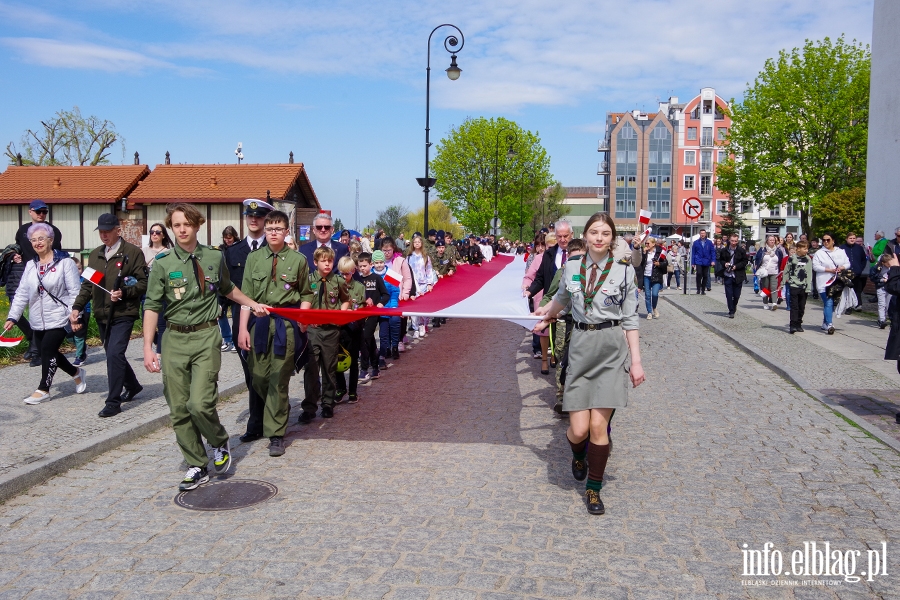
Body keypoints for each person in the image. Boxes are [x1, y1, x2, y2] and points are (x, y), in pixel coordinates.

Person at [143, 203, 268, 491]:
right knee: (178, 408)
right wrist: (149, 347)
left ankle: (218, 440)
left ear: (197, 225)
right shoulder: (163, 264)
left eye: (187, 224)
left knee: (199, 403)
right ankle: (196, 464)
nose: (182, 229)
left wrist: (252, 304)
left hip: (206, 336)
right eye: (176, 225)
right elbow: (151, 306)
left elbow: (227, 289)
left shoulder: (214, 257)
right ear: (171, 229)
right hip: (173, 339)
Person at [533, 212, 644, 515]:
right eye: (594, 232)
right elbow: (562, 301)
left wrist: (635, 362)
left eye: (605, 234)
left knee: (599, 425)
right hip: (580, 348)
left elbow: (631, 320)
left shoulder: (624, 273)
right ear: (587, 235)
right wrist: (545, 317)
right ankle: (578, 455)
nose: (599, 238)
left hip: (609, 349)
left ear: (612, 239)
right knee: (578, 430)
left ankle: (594, 489)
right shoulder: (571, 268)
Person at [239, 210, 313, 456]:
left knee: (279, 378)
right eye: (269, 228)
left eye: (278, 228)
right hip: (258, 324)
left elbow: (306, 294)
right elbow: (245, 297)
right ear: (264, 230)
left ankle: (276, 434)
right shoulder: (254, 258)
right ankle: (276, 410)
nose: (273, 232)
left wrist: (302, 318)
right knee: (258, 376)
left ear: (286, 231)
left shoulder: (298, 259)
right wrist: (242, 330)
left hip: (285, 325)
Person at [70, 214, 148, 417]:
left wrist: (124, 292)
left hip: (124, 312)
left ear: (117, 230)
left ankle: (113, 402)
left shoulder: (132, 253)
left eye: (107, 231)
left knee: (114, 353)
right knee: (114, 354)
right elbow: (88, 285)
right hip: (102, 313)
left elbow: (143, 283)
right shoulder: (96, 255)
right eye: (101, 232)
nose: (104, 235)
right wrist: (77, 307)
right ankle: (133, 385)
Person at [4, 223, 85, 404]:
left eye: (41, 238)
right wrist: (13, 317)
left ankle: (43, 389)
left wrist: (75, 316)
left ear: (51, 240)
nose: (37, 243)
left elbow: (75, 292)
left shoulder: (65, 263)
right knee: (49, 352)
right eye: (33, 240)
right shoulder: (31, 265)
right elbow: (22, 293)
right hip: (38, 319)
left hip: (61, 316)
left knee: (48, 349)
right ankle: (76, 372)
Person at [224, 198, 273, 443]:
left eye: (259, 216)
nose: (253, 220)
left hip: (267, 320)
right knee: (250, 374)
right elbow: (226, 287)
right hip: (242, 321)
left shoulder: (273, 249)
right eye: (249, 216)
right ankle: (256, 422)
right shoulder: (232, 252)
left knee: (267, 373)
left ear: (266, 219)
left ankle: (270, 419)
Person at [534, 238, 587, 414]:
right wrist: (542, 311)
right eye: (574, 258)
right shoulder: (563, 273)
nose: (577, 262)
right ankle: (562, 396)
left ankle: (578, 397)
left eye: (581, 257)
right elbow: (553, 295)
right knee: (562, 357)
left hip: (582, 323)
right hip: (563, 321)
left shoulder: (590, 272)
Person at [299, 246, 350, 424]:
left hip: (331, 330)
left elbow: (346, 300)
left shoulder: (338, 281)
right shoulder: (308, 280)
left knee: (329, 368)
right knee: (311, 369)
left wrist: (341, 314)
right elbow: (301, 301)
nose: (327, 264)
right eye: (323, 261)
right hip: (313, 331)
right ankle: (309, 406)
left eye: (329, 261)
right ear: (315, 262)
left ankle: (328, 403)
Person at [9, 200, 63, 366]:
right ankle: (33, 338)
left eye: (44, 211)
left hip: (46, 274)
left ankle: (38, 351)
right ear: (30, 212)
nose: (41, 214)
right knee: (16, 308)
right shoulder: (23, 230)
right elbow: (19, 247)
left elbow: (58, 253)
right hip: (28, 273)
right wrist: (14, 255)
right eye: (38, 211)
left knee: (40, 312)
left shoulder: (52, 231)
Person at [335, 255, 365, 403]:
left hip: (354, 329)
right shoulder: (334, 285)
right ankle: (340, 388)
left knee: (353, 361)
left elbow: (364, 306)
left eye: (347, 273)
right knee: (336, 359)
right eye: (341, 273)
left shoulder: (359, 287)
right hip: (338, 328)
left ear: (353, 271)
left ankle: (353, 391)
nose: (344, 276)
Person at [356, 252, 389, 383]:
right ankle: (375, 367)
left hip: (373, 314)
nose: (362, 268)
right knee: (370, 342)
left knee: (364, 340)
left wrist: (380, 303)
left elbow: (385, 294)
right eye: (360, 266)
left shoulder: (376, 278)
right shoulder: (358, 280)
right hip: (361, 314)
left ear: (371, 264)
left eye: (364, 265)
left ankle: (364, 369)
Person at [143, 223, 173, 356]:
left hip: (163, 292)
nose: (154, 234)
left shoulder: (168, 252)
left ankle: (160, 353)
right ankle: (159, 342)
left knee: (161, 323)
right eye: (152, 232)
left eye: (158, 232)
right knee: (147, 321)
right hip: (146, 291)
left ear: (163, 235)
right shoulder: (143, 251)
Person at [812, 233, 850, 335]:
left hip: (837, 281)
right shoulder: (819, 253)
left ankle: (825, 322)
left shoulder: (841, 251)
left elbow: (847, 263)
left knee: (831, 303)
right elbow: (815, 266)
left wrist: (841, 268)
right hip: (823, 282)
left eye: (828, 240)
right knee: (828, 301)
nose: (826, 242)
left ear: (833, 240)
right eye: (824, 240)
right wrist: (829, 270)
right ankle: (830, 324)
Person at [371, 250, 401, 370]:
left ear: (384, 262)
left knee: (393, 325)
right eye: (376, 262)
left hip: (389, 306)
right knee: (379, 333)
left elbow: (395, 291)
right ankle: (381, 351)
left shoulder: (392, 274)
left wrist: (393, 306)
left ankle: (394, 347)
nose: (379, 265)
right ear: (373, 263)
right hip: (376, 309)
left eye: (381, 262)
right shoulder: (370, 274)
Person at [407, 235, 435, 339]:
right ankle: (415, 328)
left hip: (423, 284)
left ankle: (423, 324)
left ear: (421, 243)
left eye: (419, 242)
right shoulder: (409, 257)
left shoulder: (425, 257)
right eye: (415, 242)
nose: (417, 244)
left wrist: (429, 283)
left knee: (423, 307)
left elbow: (429, 270)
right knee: (414, 309)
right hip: (413, 285)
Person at [216, 225, 240, 352]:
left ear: (234, 237)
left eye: (229, 238)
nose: (227, 240)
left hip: (235, 287)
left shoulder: (239, 248)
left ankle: (236, 341)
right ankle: (227, 339)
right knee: (220, 314)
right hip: (222, 287)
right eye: (225, 238)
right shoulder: (220, 249)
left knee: (236, 316)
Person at [718, 233, 749, 318]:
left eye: (735, 241)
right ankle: (731, 310)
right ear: (729, 240)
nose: (733, 243)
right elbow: (721, 260)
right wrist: (725, 264)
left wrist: (736, 266)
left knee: (736, 295)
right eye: (732, 241)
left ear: (737, 241)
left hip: (738, 275)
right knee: (729, 294)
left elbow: (745, 261)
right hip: (728, 275)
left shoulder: (741, 251)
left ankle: (734, 305)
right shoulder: (724, 250)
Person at [636, 237, 667, 319]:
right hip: (646, 276)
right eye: (646, 243)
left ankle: (654, 308)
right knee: (647, 295)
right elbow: (640, 263)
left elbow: (665, 263)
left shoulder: (659, 252)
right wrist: (643, 253)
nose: (646, 245)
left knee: (655, 294)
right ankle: (649, 312)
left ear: (653, 244)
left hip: (656, 276)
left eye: (648, 243)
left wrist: (659, 264)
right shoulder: (645, 252)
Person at [787, 241, 813, 333]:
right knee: (794, 306)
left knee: (801, 307)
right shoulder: (792, 258)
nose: (806, 250)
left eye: (807, 248)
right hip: (794, 285)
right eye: (804, 248)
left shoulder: (808, 259)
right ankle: (792, 325)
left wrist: (808, 286)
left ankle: (798, 323)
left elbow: (809, 273)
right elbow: (786, 270)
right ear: (798, 249)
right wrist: (783, 283)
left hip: (804, 286)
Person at [755, 235, 786, 310]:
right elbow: (757, 259)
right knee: (765, 288)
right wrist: (757, 268)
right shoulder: (762, 250)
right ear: (767, 241)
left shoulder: (778, 251)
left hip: (775, 272)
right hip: (765, 272)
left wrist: (781, 271)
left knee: (773, 287)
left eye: (773, 240)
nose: (772, 241)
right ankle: (765, 303)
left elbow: (781, 261)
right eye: (770, 240)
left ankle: (774, 303)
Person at [840, 232, 868, 313]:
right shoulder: (842, 248)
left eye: (853, 238)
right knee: (848, 290)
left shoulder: (859, 248)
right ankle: (848, 307)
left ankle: (858, 305)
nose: (852, 240)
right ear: (846, 239)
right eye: (850, 238)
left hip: (857, 272)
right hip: (846, 272)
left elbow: (863, 259)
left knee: (857, 289)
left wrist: (860, 268)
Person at [871, 253, 893, 329]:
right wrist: (882, 280)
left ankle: (884, 317)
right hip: (881, 287)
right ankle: (882, 320)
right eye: (888, 264)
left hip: (890, 287)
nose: (889, 265)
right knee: (882, 304)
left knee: (888, 304)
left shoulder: (892, 267)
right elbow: (873, 277)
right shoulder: (877, 268)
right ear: (883, 263)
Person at [691, 229, 716, 294]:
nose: (702, 234)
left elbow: (712, 252)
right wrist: (693, 262)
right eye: (701, 233)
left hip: (706, 261)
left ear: (705, 234)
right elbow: (693, 253)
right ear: (700, 234)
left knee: (705, 275)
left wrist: (713, 260)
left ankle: (703, 289)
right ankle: (698, 288)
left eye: (703, 233)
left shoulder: (709, 242)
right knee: (699, 274)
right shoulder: (696, 242)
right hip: (698, 261)